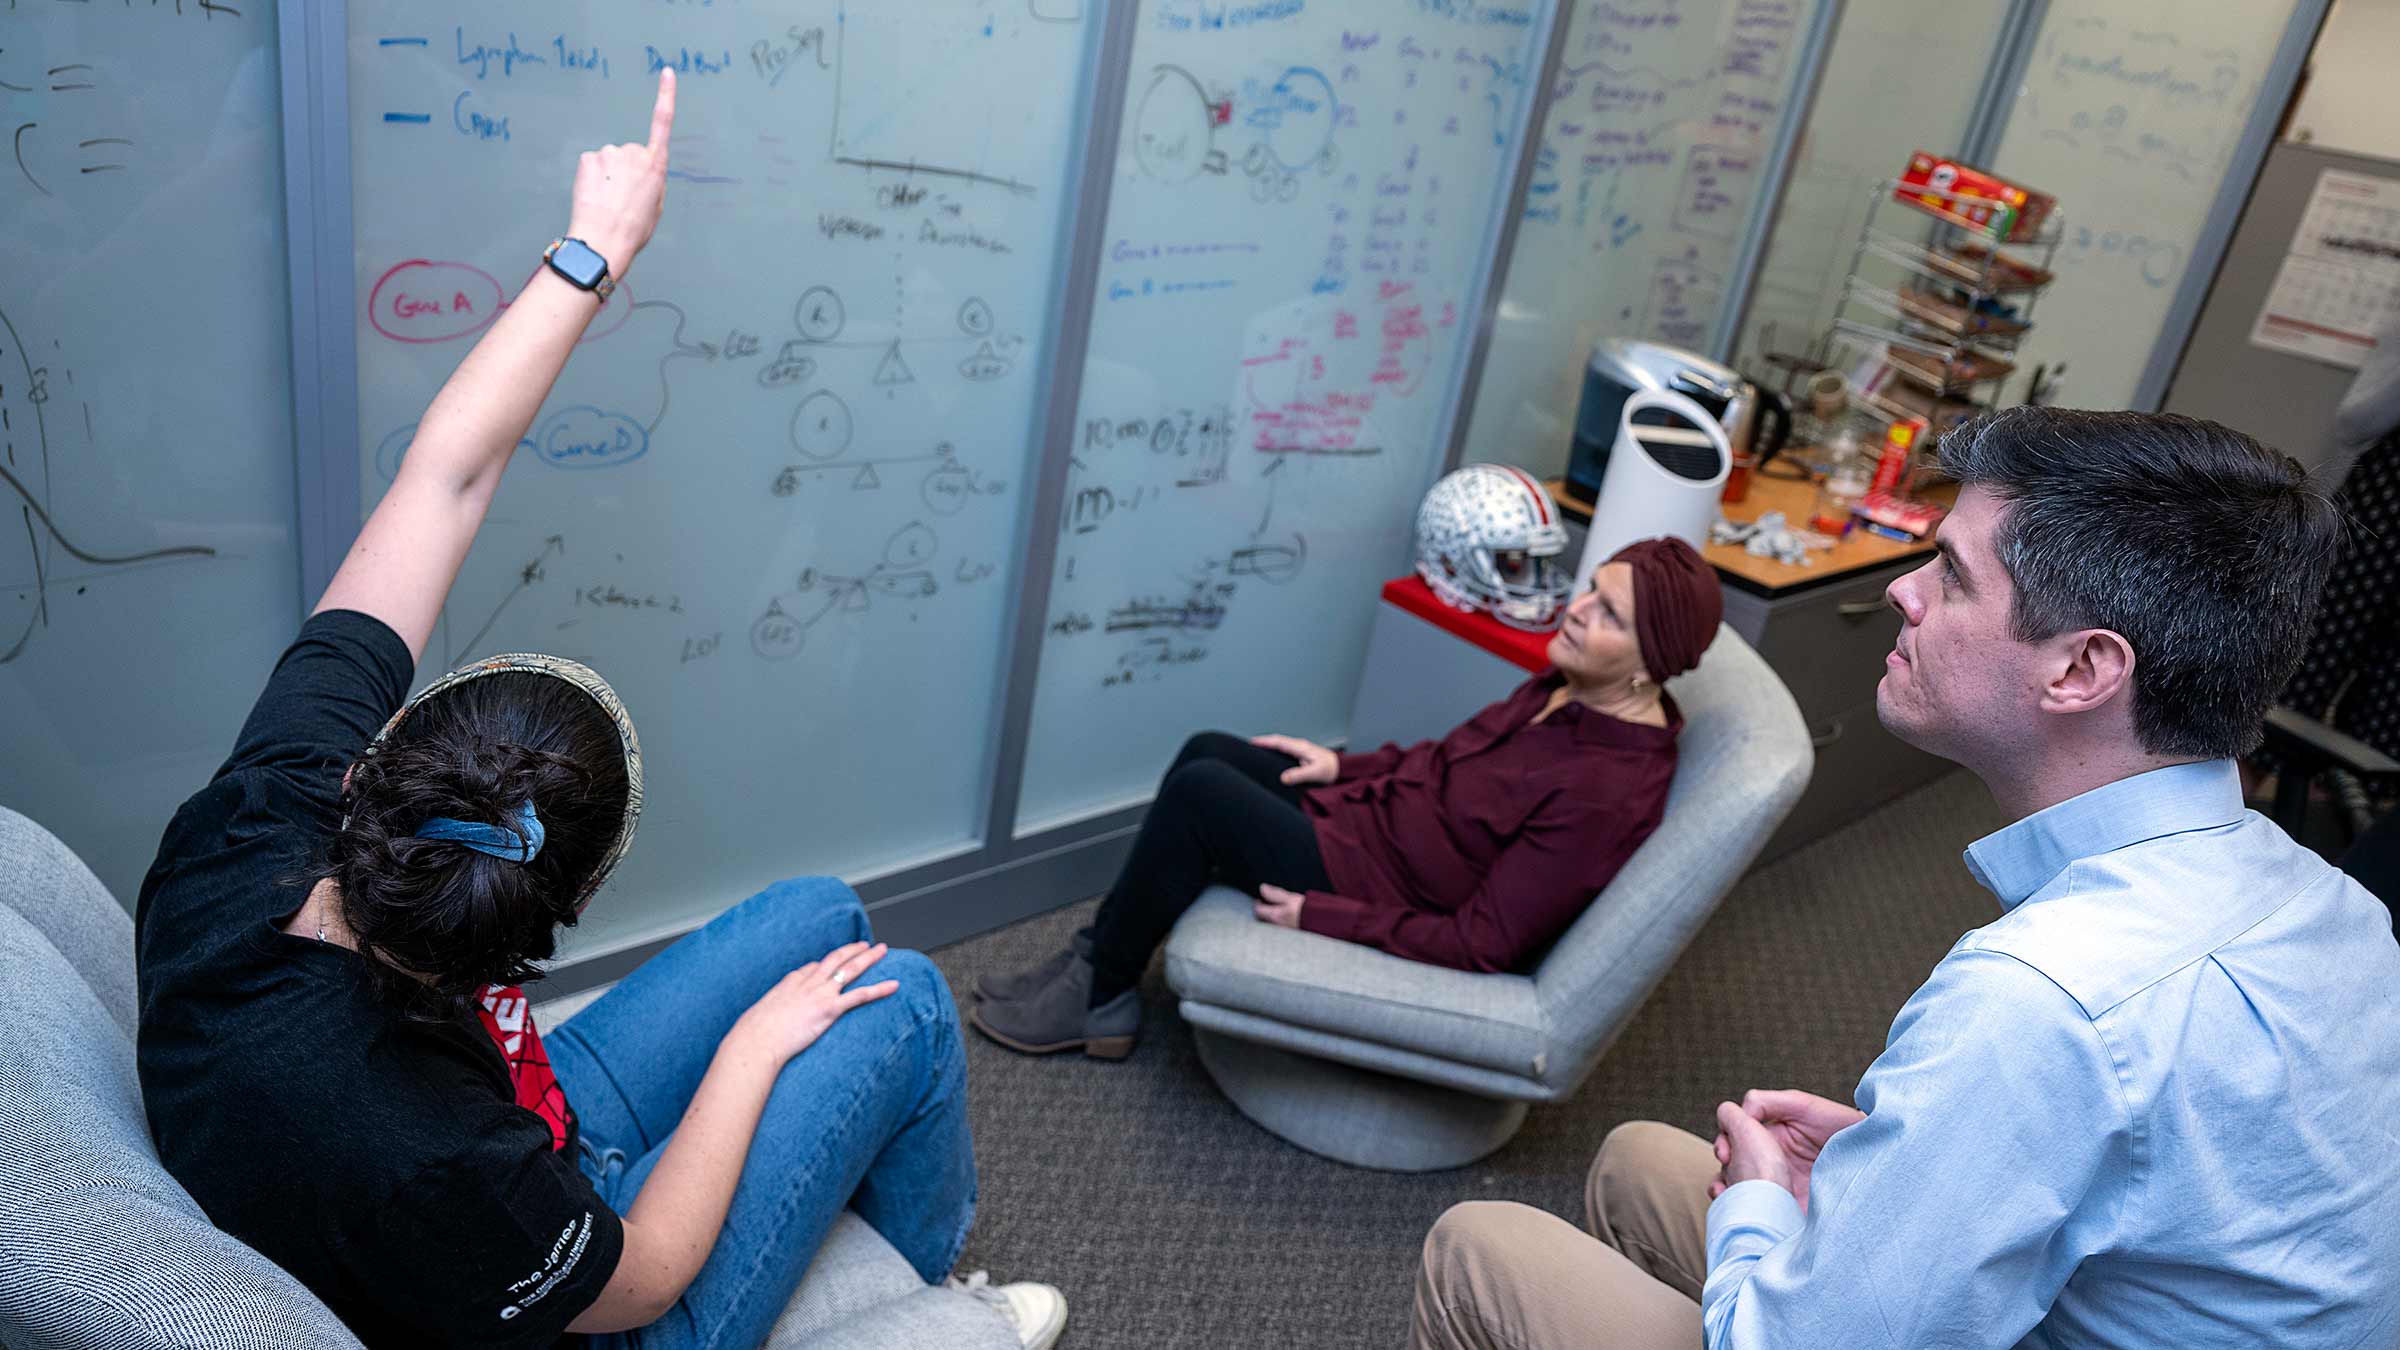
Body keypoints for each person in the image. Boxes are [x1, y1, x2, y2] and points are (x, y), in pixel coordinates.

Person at [132, 72, 1063, 1349]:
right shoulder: (432, 1153)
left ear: (372, 764)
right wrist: (748, 1060)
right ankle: (928, 1296)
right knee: (896, 994)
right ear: (554, 919)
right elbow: (645, 1278)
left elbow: (446, 476)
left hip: (510, 1115)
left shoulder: (260, 815)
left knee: (821, 918)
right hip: (592, 1286)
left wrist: (593, 252)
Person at [1409, 407, 2400, 1350]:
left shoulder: (2045, 1003)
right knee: (1640, 1162)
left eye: (1954, 576)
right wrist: (1918, 1170)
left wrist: (1771, 1204)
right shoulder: (2334, 904)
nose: (1904, 591)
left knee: (1481, 1250)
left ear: (2080, 670)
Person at [968, 537, 1723, 1059]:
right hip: (1370, 825)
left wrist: (1320, 916)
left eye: (1610, 613)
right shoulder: (1569, 686)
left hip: (1377, 885)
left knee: (1202, 795)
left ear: (1650, 663)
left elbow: (1484, 942)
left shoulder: (1607, 792)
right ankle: (1098, 953)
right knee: (1211, 748)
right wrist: (1343, 767)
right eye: (1593, 587)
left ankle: (1100, 994)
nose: (1580, 607)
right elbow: (1446, 761)